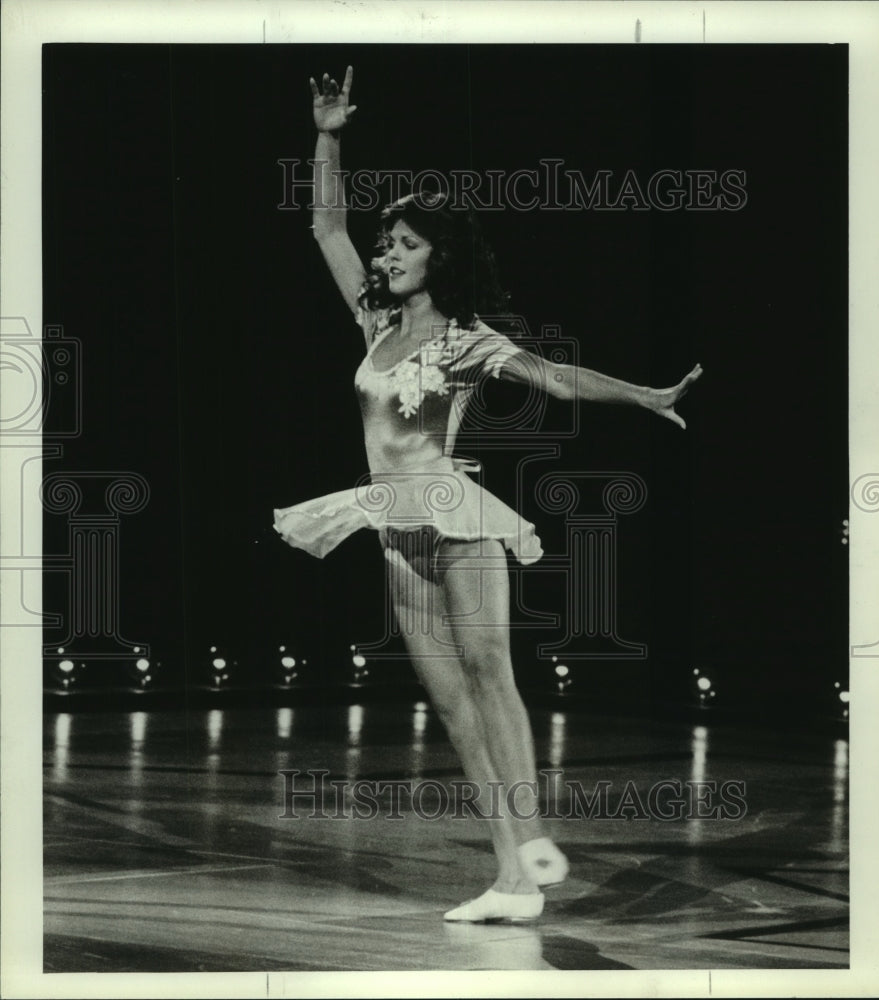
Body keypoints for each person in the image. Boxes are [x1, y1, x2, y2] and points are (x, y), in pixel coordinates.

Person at [273, 67, 702, 923]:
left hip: (454, 514)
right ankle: (511, 880)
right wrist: (328, 134)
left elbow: (556, 378)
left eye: (404, 244)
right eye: (387, 242)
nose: (387, 254)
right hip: (392, 522)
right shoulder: (377, 327)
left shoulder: (469, 340)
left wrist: (645, 395)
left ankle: (535, 836)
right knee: (449, 703)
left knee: (488, 675)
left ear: (441, 259)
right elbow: (325, 225)